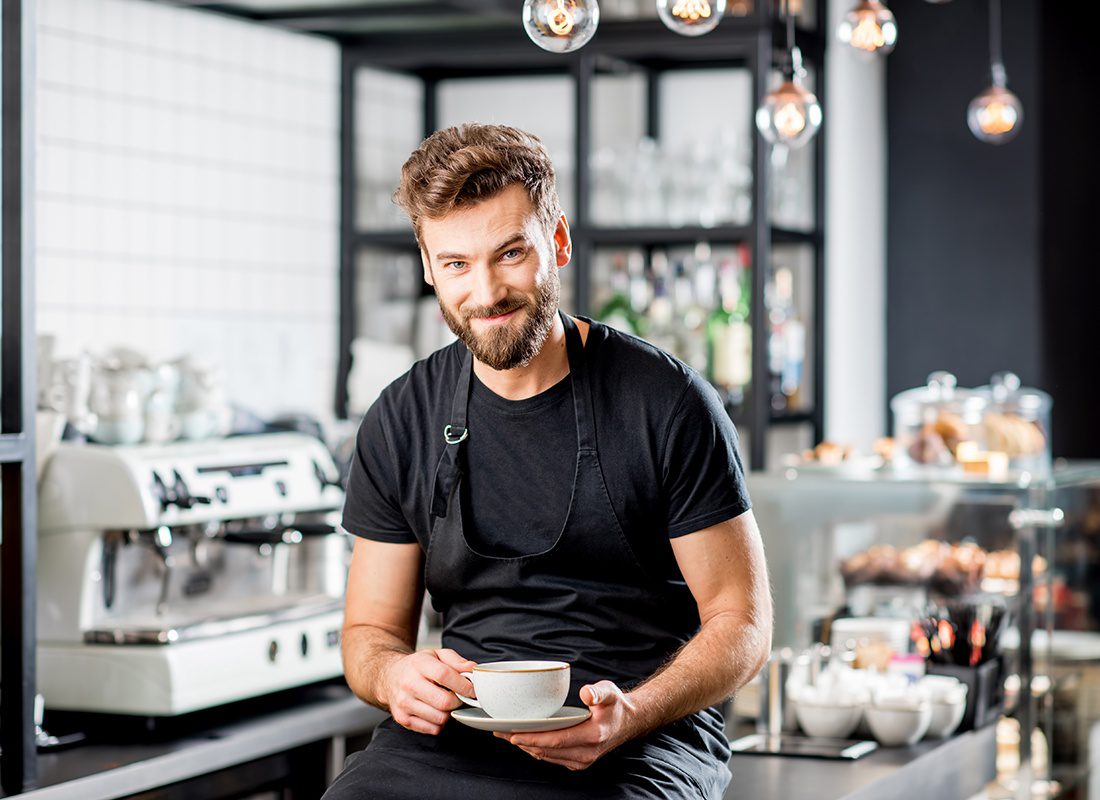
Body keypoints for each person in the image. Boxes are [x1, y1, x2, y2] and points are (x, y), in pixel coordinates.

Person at [323, 123, 771, 800]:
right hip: (456, 741)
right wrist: (392, 677)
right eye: (456, 265)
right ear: (427, 267)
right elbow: (370, 633)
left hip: (642, 738)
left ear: (556, 240)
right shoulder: (400, 418)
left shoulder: (665, 401)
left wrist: (632, 714)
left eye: (509, 254)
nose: (486, 292)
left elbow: (742, 623)